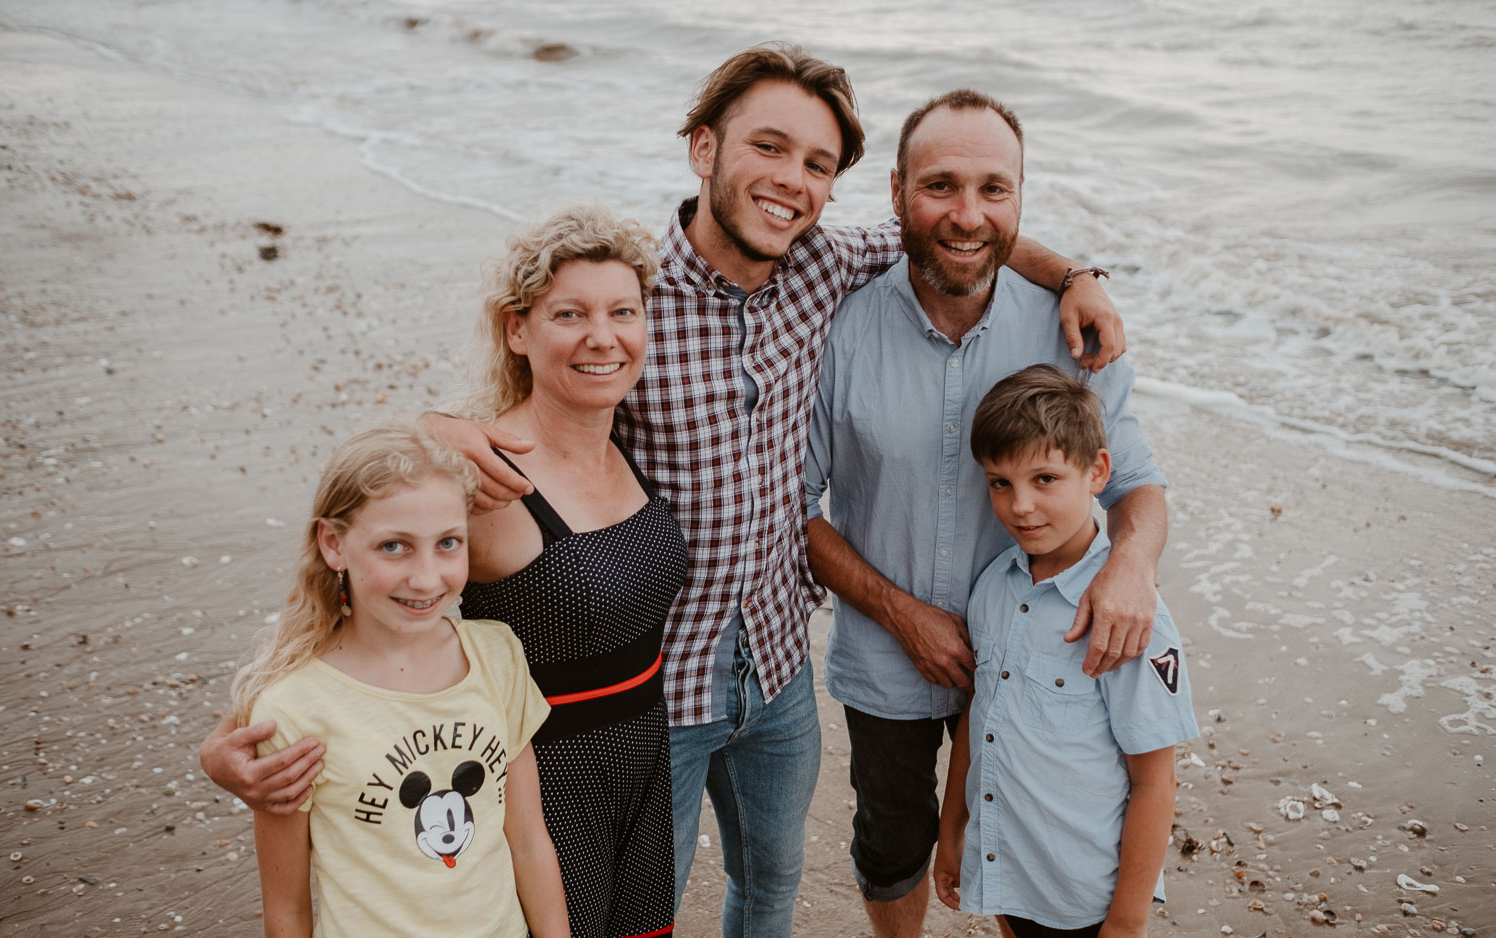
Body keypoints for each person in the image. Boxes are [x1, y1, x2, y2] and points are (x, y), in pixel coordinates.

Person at [203, 43, 1126, 938]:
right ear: (704, 148)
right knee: (638, 899)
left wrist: (1077, 276)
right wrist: (439, 430)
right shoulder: (629, 299)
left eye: (815, 163)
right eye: (768, 147)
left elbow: (957, 230)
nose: (791, 181)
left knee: (771, 887)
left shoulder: (825, 265)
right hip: (656, 684)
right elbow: (458, 479)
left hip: (777, 669)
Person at [803, 90, 1168, 938]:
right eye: (940, 186)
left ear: (1020, 196)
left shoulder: (1074, 333)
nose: (968, 215)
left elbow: (1137, 485)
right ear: (895, 192)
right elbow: (793, 509)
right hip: (884, 655)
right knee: (891, 842)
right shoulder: (839, 324)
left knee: (1030, 840)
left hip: (1041, 661)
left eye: (994, 189)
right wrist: (901, 614)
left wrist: (1131, 566)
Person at [446, 205, 688, 938]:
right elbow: (351, 595)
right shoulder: (486, 479)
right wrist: (249, 734)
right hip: (543, 791)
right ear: (517, 330)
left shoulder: (628, 440)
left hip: (646, 770)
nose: (602, 337)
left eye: (623, 311)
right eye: (569, 314)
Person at [236, 424, 567, 938]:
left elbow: (527, 841)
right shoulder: (294, 709)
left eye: (448, 543)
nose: (427, 577)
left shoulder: (496, 655)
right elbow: (287, 909)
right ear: (333, 545)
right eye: (394, 546)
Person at [932, 365, 1198, 936]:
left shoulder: (1126, 615)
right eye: (999, 483)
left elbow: (1155, 779)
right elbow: (979, 721)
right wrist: (951, 832)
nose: (1020, 506)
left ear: (1097, 471)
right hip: (1008, 871)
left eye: (1045, 479)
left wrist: (1126, 923)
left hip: (1083, 896)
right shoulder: (992, 587)